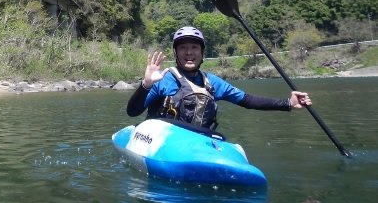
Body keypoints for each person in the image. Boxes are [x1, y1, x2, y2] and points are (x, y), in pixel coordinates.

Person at [127, 26, 312, 130]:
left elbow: (247, 100)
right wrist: (146, 85)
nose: (189, 52)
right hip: (162, 139)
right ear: (175, 54)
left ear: (202, 53)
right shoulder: (164, 79)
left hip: (199, 141)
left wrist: (287, 103)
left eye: (194, 47)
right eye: (183, 48)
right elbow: (133, 112)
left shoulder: (212, 83)